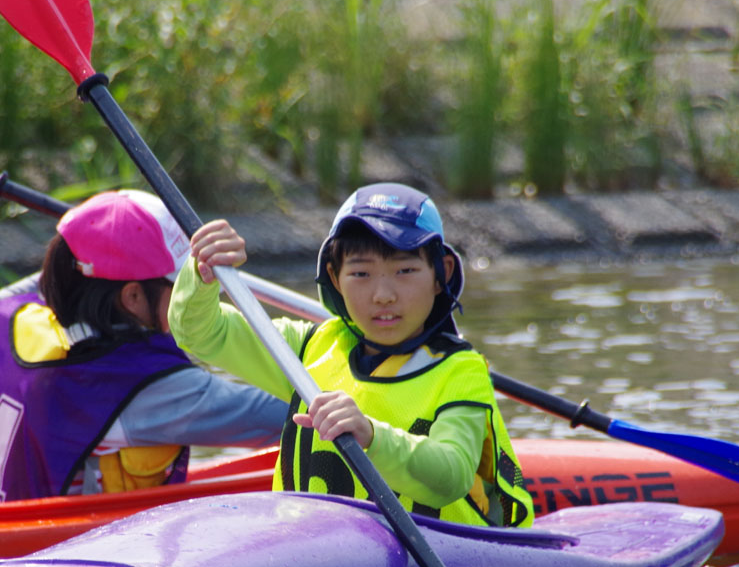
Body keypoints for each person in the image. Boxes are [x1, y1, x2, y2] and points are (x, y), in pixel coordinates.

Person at [168, 182, 534, 526]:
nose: (383, 295)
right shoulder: (306, 348)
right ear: (334, 275)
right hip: (317, 562)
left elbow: (450, 476)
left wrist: (371, 435)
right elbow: (197, 332)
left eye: (405, 270)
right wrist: (201, 271)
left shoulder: (461, 371)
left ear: (441, 274)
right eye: (361, 274)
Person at [0, 189, 288, 503]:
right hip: (33, 553)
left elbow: (39, 285)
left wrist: (74, 251)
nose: (189, 296)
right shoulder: (148, 387)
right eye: (182, 285)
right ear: (133, 296)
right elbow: (284, 416)